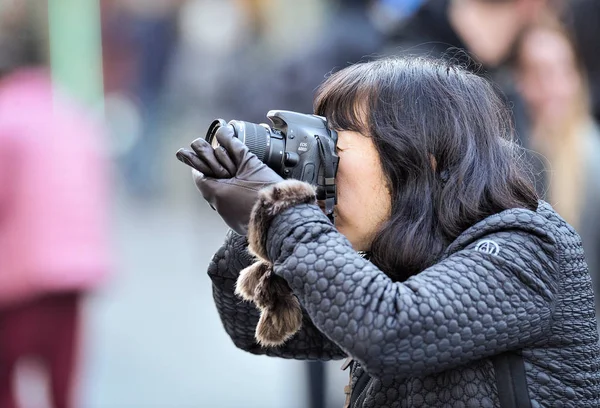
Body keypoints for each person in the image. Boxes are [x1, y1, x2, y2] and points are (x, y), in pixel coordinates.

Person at [176, 56, 600, 406]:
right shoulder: (407, 253)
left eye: (335, 143)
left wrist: (280, 212)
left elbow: (392, 331)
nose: (324, 166)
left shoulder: (527, 247)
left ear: (423, 157)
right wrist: (256, 218)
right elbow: (249, 323)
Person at [0, 4, 111, 407]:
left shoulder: (6, 119)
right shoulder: (69, 111)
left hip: (19, 277)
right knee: (62, 387)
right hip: (75, 269)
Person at [514, 16, 600, 323]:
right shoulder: (511, 159)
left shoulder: (592, 156)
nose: (552, 87)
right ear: (518, 81)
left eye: (562, 70)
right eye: (537, 72)